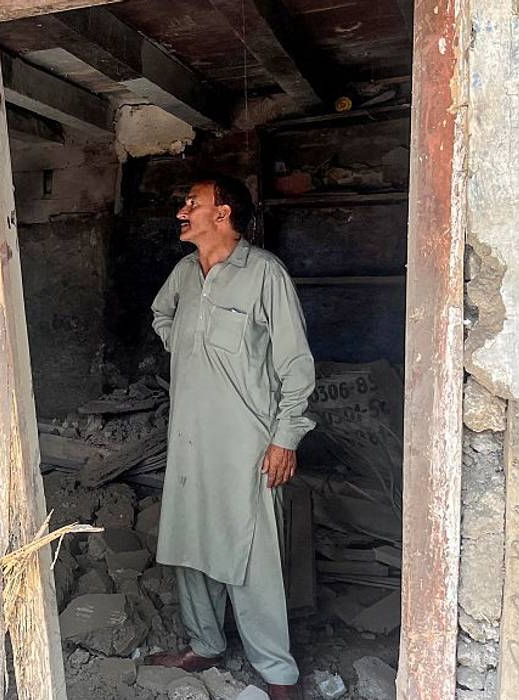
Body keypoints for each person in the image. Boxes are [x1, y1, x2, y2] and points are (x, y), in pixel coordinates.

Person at [147, 176, 315, 700]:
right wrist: (184, 344)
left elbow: (295, 363)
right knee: (190, 540)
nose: (182, 210)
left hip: (246, 442)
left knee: (251, 552)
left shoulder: (264, 274)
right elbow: (162, 315)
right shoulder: (183, 274)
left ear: (222, 214)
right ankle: (206, 644)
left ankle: (278, 673)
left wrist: (285, 436)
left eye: (191, 203)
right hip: (189, 438)